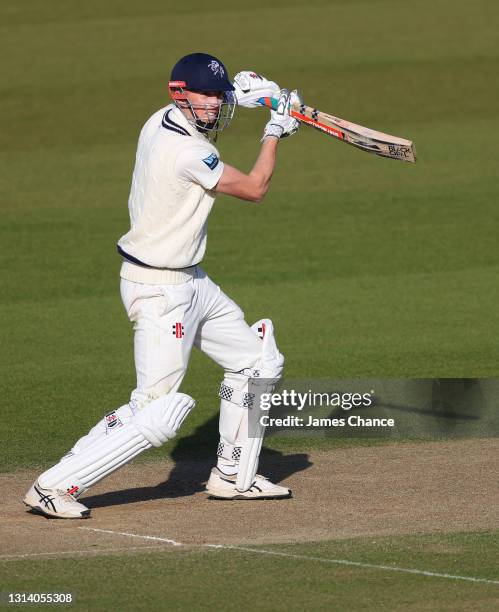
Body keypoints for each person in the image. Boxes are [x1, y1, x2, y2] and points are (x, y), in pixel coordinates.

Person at [23, 53, 300, 519]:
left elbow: (213, 111)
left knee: (257, 359)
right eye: (205, 96)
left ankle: (234, 476)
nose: (214, 106)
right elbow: (254, 188)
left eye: (219, 96)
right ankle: (54, 486)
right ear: (179, 94)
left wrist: (254, 96)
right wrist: (274, 130)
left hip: (192, 280)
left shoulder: (162, 119)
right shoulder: (187, 152)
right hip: (159, 291)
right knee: (158, 408)